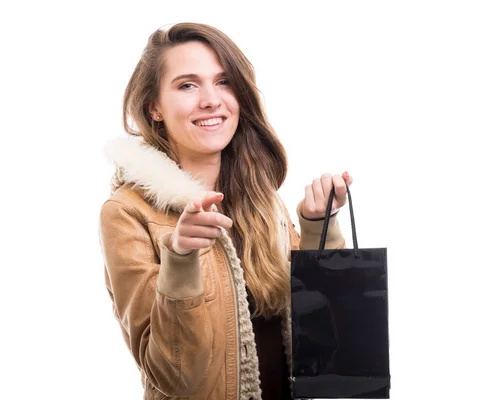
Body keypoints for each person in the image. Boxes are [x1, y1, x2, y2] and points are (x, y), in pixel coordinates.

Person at [99, 22, 353, 400]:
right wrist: (181, 261)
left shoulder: (263, 201)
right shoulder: (126, 213)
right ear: (154, 106)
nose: (211, 100)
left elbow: (324, 341)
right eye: (187, 85)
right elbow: (174, 377)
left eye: (224, 81)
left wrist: (318, 228)